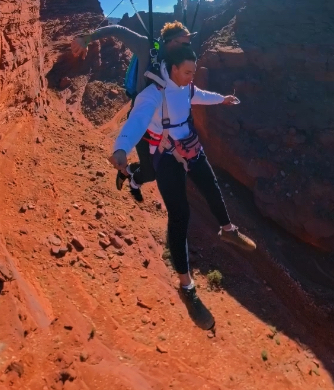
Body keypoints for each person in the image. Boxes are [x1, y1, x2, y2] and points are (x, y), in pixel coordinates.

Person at [109, 43, 256, 330]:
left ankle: (228, 230)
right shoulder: (153, 94)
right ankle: (186, 287)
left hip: (190, 147)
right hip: (165, 157)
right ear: (173, 68)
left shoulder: (186, 86)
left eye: (193, 71)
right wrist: (121, 148)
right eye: (188, 71)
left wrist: (222, 99)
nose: (192, 76)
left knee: (212, 186)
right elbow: (137, 121)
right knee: (180, 217)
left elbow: (199, 95)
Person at [72, 20, 192, 201]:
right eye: (185, 43)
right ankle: (131, 177)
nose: (188, 48)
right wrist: (87, 38)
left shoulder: (179, 57)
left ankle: (130, 171)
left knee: (164, 166)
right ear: (171, 40)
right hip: (143, 116)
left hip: (163, 123)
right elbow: (118, 30)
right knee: (150, 174)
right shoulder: (147, 46)